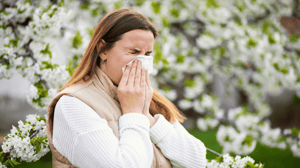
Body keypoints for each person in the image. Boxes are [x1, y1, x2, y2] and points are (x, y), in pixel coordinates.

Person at [46, 8, 207, 168]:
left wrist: (148, 118)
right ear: (103, 50)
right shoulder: (73, 104)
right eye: (133, 52)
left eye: (147, 54)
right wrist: (133, 114)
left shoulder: (146, 98)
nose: (141, 62)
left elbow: (197, 161)